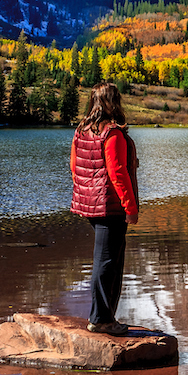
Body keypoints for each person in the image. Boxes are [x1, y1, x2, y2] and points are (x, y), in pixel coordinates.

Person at [70, 82, 139, 335]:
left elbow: (74, 166)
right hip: (110, 207)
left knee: (107, 261)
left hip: (91, 204)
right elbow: (118, 173)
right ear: (113, 102)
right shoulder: (112, 134)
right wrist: (130, 207)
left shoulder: (82, 130)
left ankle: (105, 316)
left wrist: (85, 192)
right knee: (108, 263)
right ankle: (100, 320)